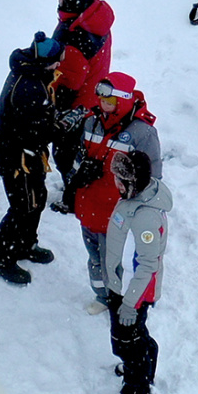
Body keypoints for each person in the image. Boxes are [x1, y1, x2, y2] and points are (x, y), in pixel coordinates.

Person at [53, 70, 162, 314]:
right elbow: (78, 158)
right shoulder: (92, 121)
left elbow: (153, 178)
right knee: (94, 258)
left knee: (110, 261)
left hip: (115, 212)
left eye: (109, 101)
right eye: (101, 99)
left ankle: (116, 298)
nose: (102, 104)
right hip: (88, 205)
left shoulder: (142, 133)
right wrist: (79, 174)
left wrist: (127, 187)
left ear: (122, 100)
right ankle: (102, 296)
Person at [0, 33, 65, 286]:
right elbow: (37, 131)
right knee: (23, 207)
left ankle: (26, 244)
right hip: (17, 160)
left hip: (27, 155)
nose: (58, 67)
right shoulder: (29, 87)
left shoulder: (31, 74)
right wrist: (63, 126)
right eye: (56, 62)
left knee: (36, 199)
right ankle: (2, 257)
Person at [100, 148, 170, 394]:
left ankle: (136, 389)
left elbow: (147, 265)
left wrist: (129, 303)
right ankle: (143, 366)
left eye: (120, 179)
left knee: (125, 342)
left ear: (133, 182)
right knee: (134, 336)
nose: (115, 182)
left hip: (134, 291)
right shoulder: (133, 199)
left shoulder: (145, 217)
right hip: (123, 285)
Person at [50, 0, 115, 109]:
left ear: (70, 0)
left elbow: (65, 88)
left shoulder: (74, 40)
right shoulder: (94, 19)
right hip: (93, 100)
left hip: (76, 113)